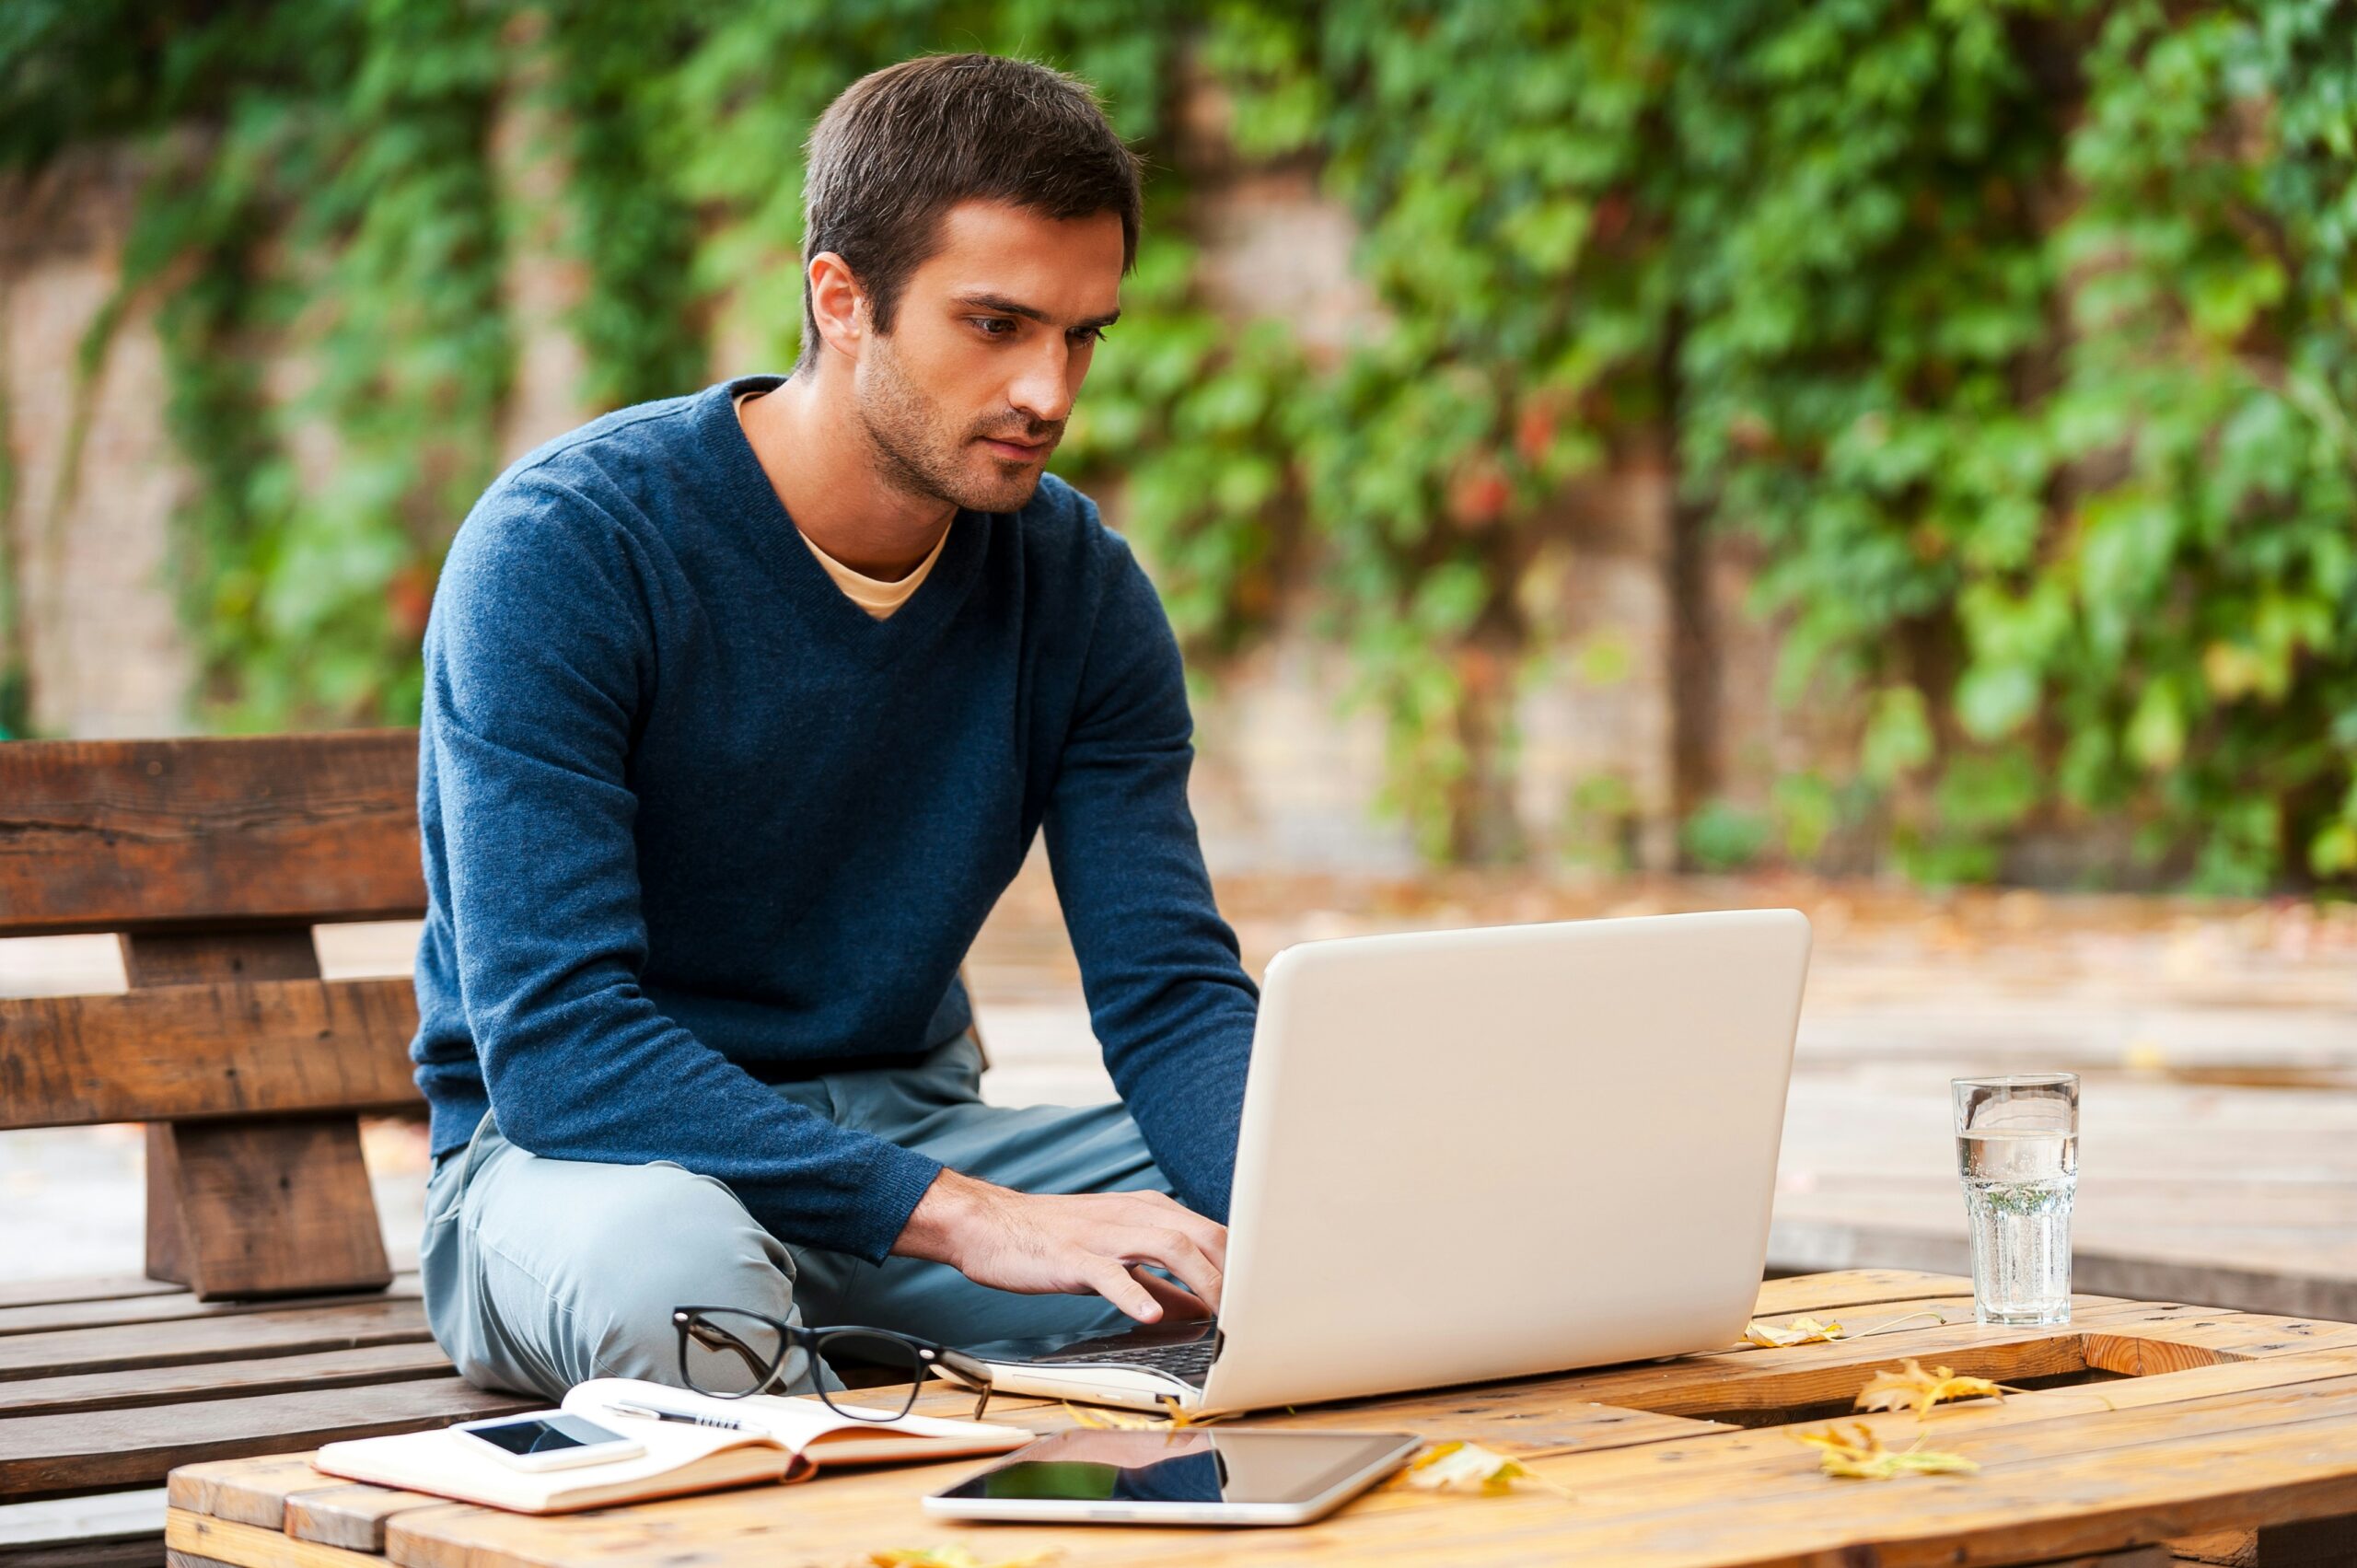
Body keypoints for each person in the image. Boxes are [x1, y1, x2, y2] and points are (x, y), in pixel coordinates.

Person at [411, 52, 1258, 1400]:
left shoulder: (1077, 587)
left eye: (1083, 332)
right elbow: (562, 1047)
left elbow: (1168, 996)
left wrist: (1306, 1212)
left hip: (917, 1138)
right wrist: (975, 1217)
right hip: (588, 1173)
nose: (1052, 390)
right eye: (997, 324)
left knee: (1335, 1194)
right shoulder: (569, 550)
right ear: (841, 299)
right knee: (676, 1276)